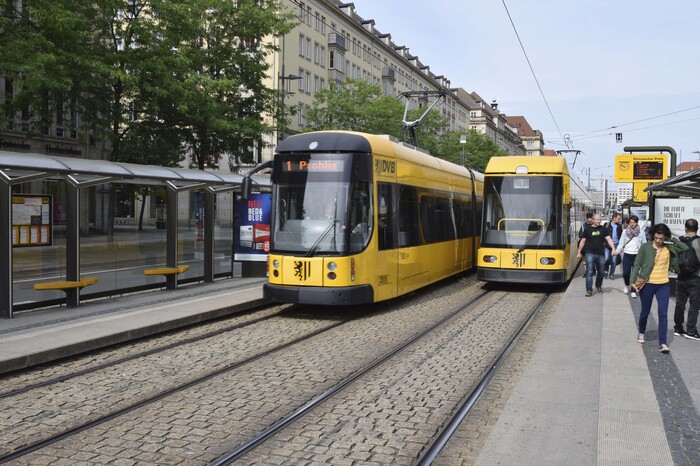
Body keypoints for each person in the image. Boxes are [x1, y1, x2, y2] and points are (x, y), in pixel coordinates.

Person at [629, 223, 688, 354]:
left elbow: (684, 248)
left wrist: (671, 238)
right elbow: (637, 264)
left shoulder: (669, 247)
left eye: (661, 238)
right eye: (656, 237)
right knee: (645, 311)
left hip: (663, 284)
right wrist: (632, 282)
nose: (658, 240)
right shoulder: (646, 247)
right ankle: (641, 331)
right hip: (648, 283)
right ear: (653, 235)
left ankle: (662, 343)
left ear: (665, 237)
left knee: (663, 314)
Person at [673, 218, 700, 340]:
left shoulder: (679, 241)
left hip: (681, 277)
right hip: (696, 277)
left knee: (680, 303)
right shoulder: (698, 242)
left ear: (685, 228)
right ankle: (691, 330)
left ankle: (678, 328)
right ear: (697, 229)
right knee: (694, 304)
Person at [577, 213, 616, 297]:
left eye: (600, 219)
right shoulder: (587, 229)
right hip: (589, 253)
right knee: (589, 272)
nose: (599, 221)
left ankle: (598, 286)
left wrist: (613, 249)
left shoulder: (603, 229)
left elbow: (609, 239)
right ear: (593, 220)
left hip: (600, 253)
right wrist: (579, 252)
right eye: (597, 219)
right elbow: (583, 241)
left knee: (601, 272)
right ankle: (589, 290)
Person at [614, 215, 646, 297]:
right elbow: (621, 242)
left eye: (634, 222)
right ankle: (627, 284)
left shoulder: (641, 232)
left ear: (637, 223)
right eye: (631, 222)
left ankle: (632, 291)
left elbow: (644, 243)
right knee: (626, 273)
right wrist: (617, 251)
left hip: (636, 255)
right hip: (627, 254)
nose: (632, 224)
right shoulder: (625, 231)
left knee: (634, 274)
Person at [604, 212, 622, 279]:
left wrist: (621, 245)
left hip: (616, 245)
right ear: (614, 218)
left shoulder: (619, 226)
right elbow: (603, 234)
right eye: (618, 218)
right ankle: (606, 271)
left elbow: (621, 236)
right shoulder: (606, 225)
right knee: (606, 258)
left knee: (614, 260)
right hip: (607, 245)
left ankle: (611, 274)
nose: (619, 220)